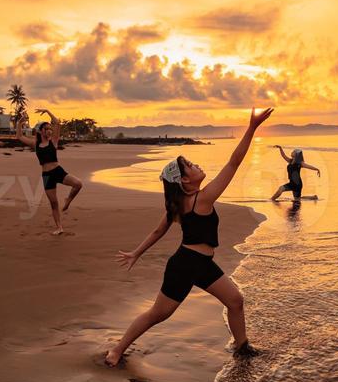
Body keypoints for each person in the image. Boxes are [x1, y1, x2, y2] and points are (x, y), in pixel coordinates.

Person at [105, 106, 274, 366]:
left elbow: (159, 230)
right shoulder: (201, 199)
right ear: (184, 181)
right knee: (158, 314)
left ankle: (242, 348)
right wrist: (251, 128)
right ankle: (117, 350)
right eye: (190, 166)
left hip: (202, 265)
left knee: (235, 301)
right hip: (185, 266)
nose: (196, 165)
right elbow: (234, 162)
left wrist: (136, 253)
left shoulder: (181, 204)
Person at [16, 108, 83, 235]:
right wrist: (20, 123)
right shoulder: (35, 144)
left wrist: (47, 111)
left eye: (50, 129)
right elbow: (19, 136)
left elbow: (57, 123)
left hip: (58, 171)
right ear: (41, 131)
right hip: (46, 175)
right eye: (47, 129)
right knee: (54, 203)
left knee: (78, 184)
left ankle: (68, 200)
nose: (50, 131)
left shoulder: (54, 141)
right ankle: (59, 227)